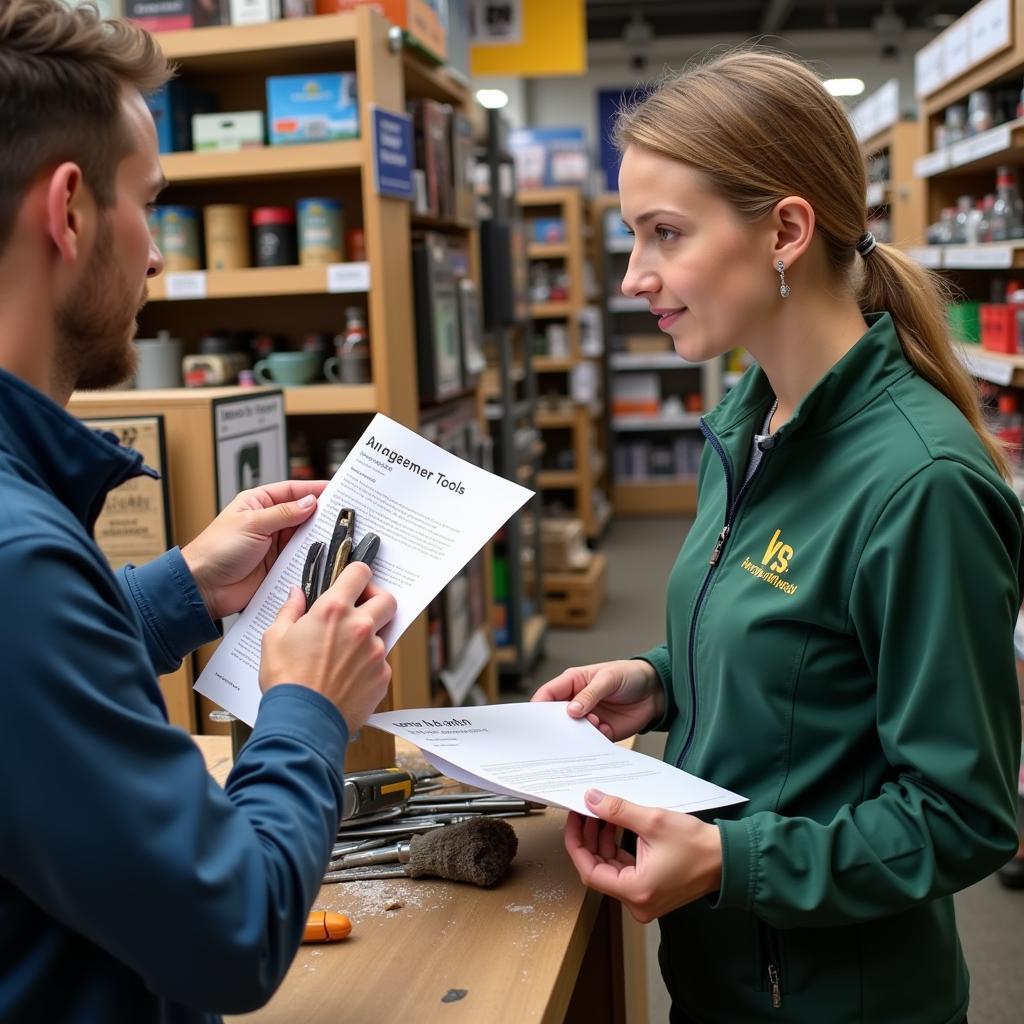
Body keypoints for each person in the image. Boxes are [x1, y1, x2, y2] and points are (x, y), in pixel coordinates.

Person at [534, 51, 1023, 1024]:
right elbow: (809, 651)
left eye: (663, 234)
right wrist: (661, 676)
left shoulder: (920, 485)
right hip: (725, 978)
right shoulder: (748, 421)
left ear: (785, 231)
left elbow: (965, 815)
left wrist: (731, 859)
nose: (635, 277)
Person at [0, 2, 396, 1020]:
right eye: (151, 202)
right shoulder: (17, 560)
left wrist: (180, 589)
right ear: (71, 211)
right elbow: (233, 930)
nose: (156, 258)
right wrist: (306, 710)